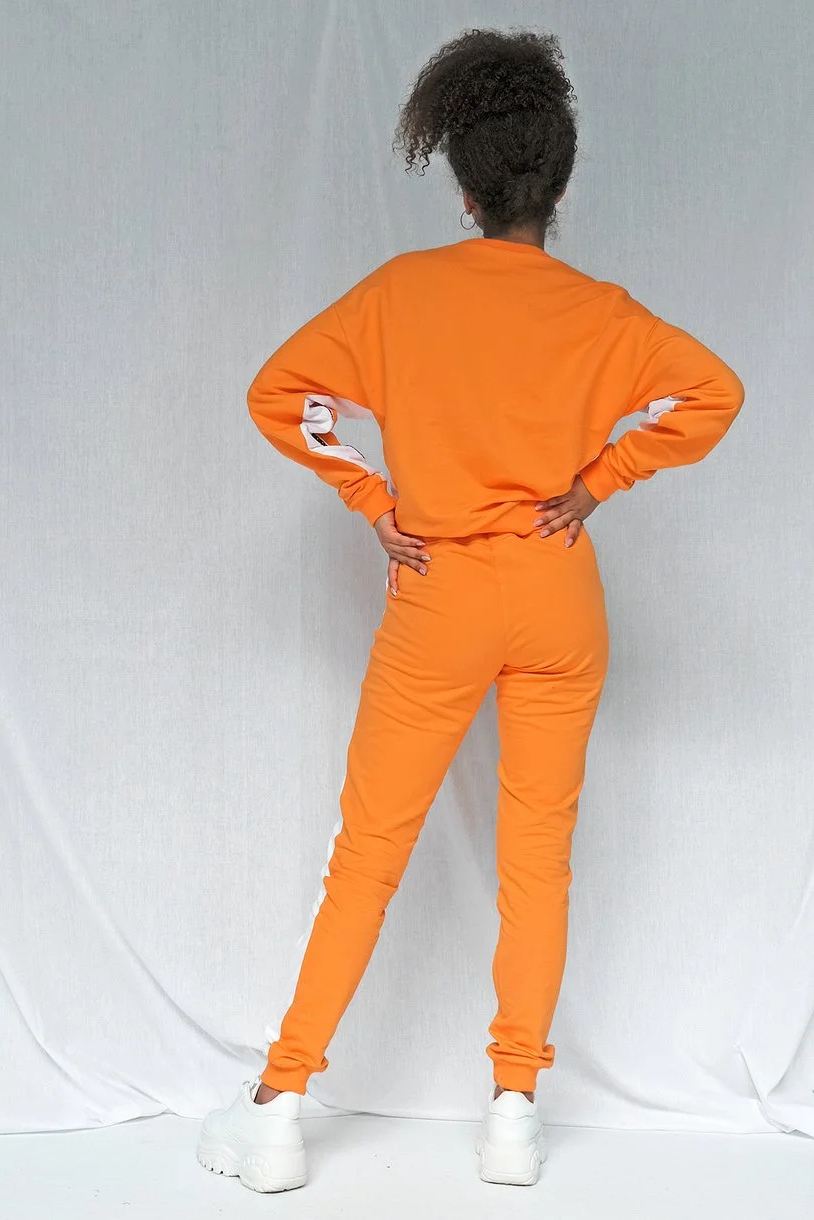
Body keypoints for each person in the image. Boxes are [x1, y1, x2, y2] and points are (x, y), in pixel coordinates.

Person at [196, 26, 745, 1193]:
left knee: (368, 854)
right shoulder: (600, 311)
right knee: (536, 860)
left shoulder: (401, 294)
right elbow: (711, 391)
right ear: (557, 188)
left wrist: (371, 496)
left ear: (462, 189)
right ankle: (511, 1111)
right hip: (555, 591)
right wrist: (596, 482)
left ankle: (280, 1105)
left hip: (437, 593)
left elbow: (277, 392)